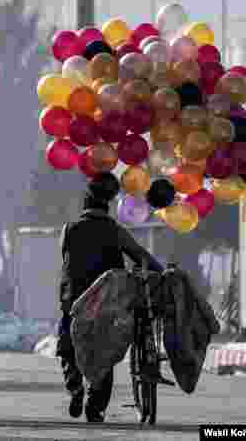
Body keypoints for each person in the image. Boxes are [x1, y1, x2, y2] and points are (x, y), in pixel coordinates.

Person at [57, 172, 164, 423]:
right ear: (108, 206)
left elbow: (66, 260)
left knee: (67, 346)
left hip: (74, 301)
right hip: (107, 303)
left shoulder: (69, 230)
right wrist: (162, 271)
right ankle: (96, 405)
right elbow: (141, 256)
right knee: (104, 350)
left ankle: (75, 387)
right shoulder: (115, 231)